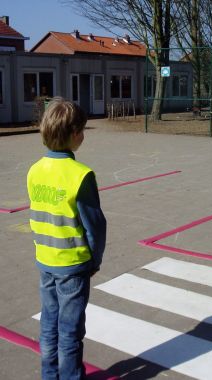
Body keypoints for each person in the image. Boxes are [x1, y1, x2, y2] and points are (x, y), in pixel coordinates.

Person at [27, 97, 107, 380]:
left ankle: (49, 375)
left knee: (49, 323)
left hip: (45, 259)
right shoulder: (81, 175)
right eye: (82, 130)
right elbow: (95, 225)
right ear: (74, 134)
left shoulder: (35, 170)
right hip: (72, 264)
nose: (84, 135)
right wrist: (94, 259)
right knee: (70, 329)